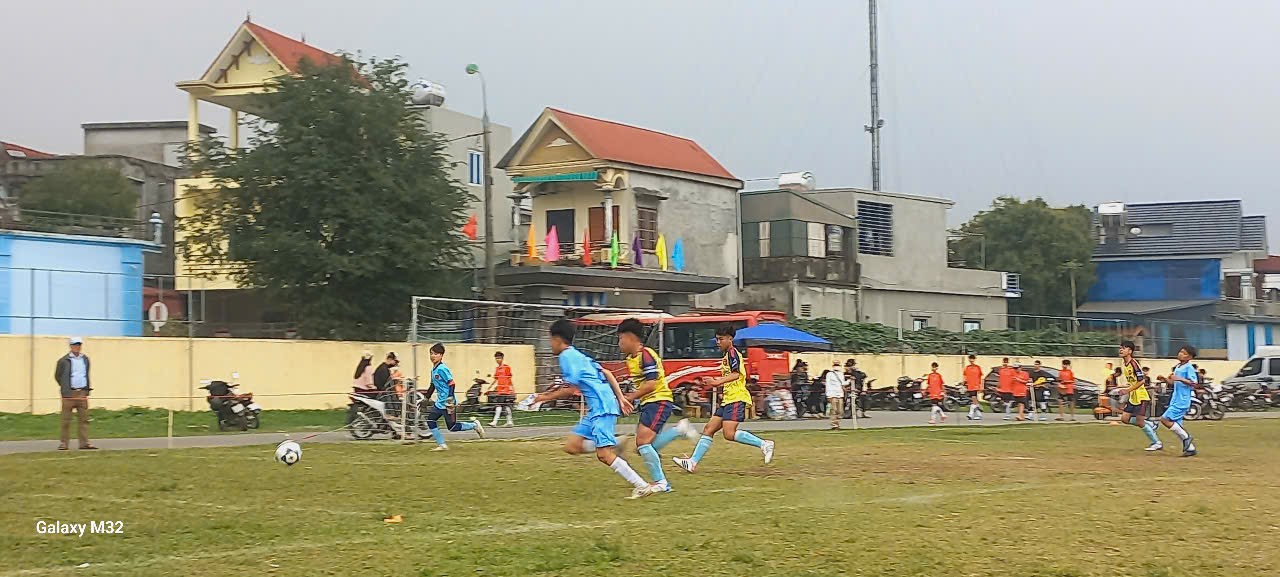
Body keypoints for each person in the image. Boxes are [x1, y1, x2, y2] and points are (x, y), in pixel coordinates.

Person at [533, 319, 656, 499]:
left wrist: (542, 398)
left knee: (604, 455)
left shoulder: (566, 357)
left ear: (557, 339)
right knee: (572, 446)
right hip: (598, 407)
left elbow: (570, 389)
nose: (550, 344)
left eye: (550, 340)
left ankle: (642, 485)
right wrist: (620, 398)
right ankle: (616, 443)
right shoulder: (578, 355)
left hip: (602, 408)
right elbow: (607, 373)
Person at [673, 324, 776, 473]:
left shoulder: (733, 353)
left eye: (721, 339)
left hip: (736, 397)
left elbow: (736, 374)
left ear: (730, 339)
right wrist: (716, 381)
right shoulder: (727, 355)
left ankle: (764, 444)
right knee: (709, 429)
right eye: (717, 339)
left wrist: (716, 382)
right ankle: (692, 462)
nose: (718, 342)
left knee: (729, 433)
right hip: (728, 399)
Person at [617, 318, 699, 493]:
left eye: (621, 338)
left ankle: (661, 483)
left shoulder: (646, 355)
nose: (619, 343)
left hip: (659, 400)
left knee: (642, 444)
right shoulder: (631, 358)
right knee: (644, 447)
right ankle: (679, 430)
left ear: (631, 337)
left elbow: (651, 384)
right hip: (650, 402)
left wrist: (630, 398)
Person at [424, 343, 485, 451]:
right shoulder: (433, 370)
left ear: (441, 355)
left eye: (436, 354)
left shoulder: (442, 368)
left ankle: (474, 425)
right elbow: (433, 385)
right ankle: (442, 445)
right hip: (440, 403)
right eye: (431, 353)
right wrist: (426, 398)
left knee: (452, 427)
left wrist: (450, 398)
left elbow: (452, 383)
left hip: (448, 404)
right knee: (431, 420)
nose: (433, 356)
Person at [1118, 340, 1162, 451]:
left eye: (1124, 348)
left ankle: (1156, 442)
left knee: (1140, 422)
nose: (1121, 350)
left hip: (1141, 396)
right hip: (1133, 396)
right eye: (1120, 348)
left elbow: (1141, 381)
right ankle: (1151, 424)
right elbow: (1133, 381)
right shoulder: (1125, 365)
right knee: (1124, 419)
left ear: (1130, 351)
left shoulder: (1133, 363)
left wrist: (1127, 390)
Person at [54, 337, 95, 450]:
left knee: (84, 420)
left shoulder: (85, 359)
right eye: (75, 344)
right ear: (70, 346)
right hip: (69, 394)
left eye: (79, 344)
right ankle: (64, 443)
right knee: (66, 420)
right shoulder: (63, 360)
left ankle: (84, 443)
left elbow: (86, 374)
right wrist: (65, 386)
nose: (77, 347)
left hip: (82, 393)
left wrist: (86, 390)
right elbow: (58, 376)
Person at [1160, 345, 1199, 457]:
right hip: (1175, 398)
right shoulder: (1178, 367)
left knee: (1164, 419)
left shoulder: (1189, 367)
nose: (1180, 354)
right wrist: (1165, 379)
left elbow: (1194, 383)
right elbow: (1175, 383)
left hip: (1182, 400)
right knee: (1177, 426)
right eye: (1180, 351)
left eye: (1184, 353)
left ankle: (1187, 437)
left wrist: (1179, 378)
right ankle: (1191, 449)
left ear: (1189, 357)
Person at [488, 351, 516, 427]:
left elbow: (509, 379)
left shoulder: (506, 367)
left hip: (505, 389)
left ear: (502, 358)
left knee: (499, 405)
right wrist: (490, 387)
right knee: (506, 406)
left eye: (499, 358)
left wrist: (512, 389)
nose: (498, 360)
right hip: (500, 389)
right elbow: (496, 379)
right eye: (496, 358)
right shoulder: (497, 368)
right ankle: (510, 422)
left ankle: (494, 422)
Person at [824, 361, 846, 429]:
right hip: (832, 393)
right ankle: (834, 424)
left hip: (840, 393)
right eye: (835, 365)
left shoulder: (841, 374)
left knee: (840, 410)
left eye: (838, 365)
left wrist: (849, 381)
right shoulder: (829, 374)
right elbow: (827, 384)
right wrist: (828, 394)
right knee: (834, 409)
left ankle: (838, 422)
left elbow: (843, 383)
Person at [963, 355, 984, 420]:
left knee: (974, 398)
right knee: (974, 400)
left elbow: (981, 377)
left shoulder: (978, 367)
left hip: (976, 386)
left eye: (972, 359)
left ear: (974, 359)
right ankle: (979, 414)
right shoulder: (967, 368)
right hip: (969, 386)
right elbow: (965, 377)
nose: (971, 360)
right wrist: (964, 384)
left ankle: (970, 414)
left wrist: (981, 386)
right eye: (970, 359)